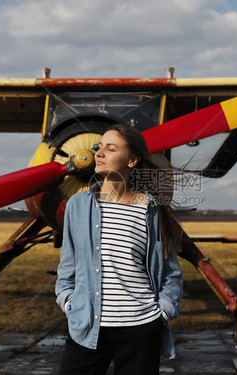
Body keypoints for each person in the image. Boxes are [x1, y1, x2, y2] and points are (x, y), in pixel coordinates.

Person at [55, 124, 184, 375]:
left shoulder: (152, 210)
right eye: (99, 147)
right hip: (86, 324)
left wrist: (161, 315)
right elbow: (67, 266)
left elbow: (171, 273)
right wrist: (70, 303)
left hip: (141, 327)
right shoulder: (77, 205)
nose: (99, 153)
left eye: (110, 148)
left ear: (132, 160)